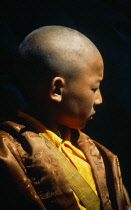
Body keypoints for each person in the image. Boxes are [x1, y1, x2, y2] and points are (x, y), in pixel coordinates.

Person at [0, 25, 130, 210]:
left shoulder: (100, 155)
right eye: (94, 88)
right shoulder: (7, 152)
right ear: (57, 90)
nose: (100, 100)